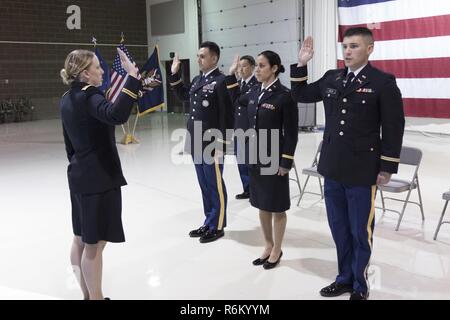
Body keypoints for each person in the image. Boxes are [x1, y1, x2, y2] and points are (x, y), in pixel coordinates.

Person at [290, 27, 405, 299]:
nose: (348, 51)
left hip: (362, 170)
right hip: (332, 167)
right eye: (345, 46)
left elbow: (393, 126)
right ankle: (343, 277)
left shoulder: (382, 82)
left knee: (359, 231)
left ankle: (360, 284)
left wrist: (387, 166)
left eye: (354, 46)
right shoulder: (332, 78)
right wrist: (301, 64)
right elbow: (301, 95)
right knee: (339, 227)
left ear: (369, 48)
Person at [60, 48, 140, 300]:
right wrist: (133, 78)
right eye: (98, 67)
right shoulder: (90, 96)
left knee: (80, 239)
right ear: (86, 73)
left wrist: (80, 164)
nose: (103, 71)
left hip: (79, 175)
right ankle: (96, 297)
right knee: (94, 244)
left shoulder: (66, 97)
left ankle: (86, 295)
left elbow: (68, 144)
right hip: (99, 178)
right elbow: (116, 115)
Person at [229, 50, 298, 269]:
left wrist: (285, 162)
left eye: (261, 66)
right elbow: (235, 100)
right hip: (255, 157)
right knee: (262, 205)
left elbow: (292, 133)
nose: (256, 70)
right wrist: (232, 76)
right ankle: (268, 245)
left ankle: (277, 249)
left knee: (277, 206)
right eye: (256, 66)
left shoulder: (284, 95)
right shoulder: (254, 91)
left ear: (274, 68)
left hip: (274, 160)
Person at [169, 41, 234, 243]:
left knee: (215, 184)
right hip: (195, 140)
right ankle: (209, 221)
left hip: (212, 142)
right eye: (197, 55)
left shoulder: (221, 81)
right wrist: (174, 75)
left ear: (214, 58)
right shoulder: (198, 79)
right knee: (204, 184)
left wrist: (223, 145)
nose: (198, 59)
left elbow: (227, 115)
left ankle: (218, 225)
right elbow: (182, 96)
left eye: (202, 56)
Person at [227, 55, 259, 200]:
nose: (240, 69)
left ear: (252, 67)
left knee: (251, 162)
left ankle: (256, 189)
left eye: (244, 66)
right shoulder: (238, 83)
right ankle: (247, 189)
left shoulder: (256, 84)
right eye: (239, 66)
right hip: (238, 129)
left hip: (250, 130)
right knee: (241, 161)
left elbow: (240, 100)